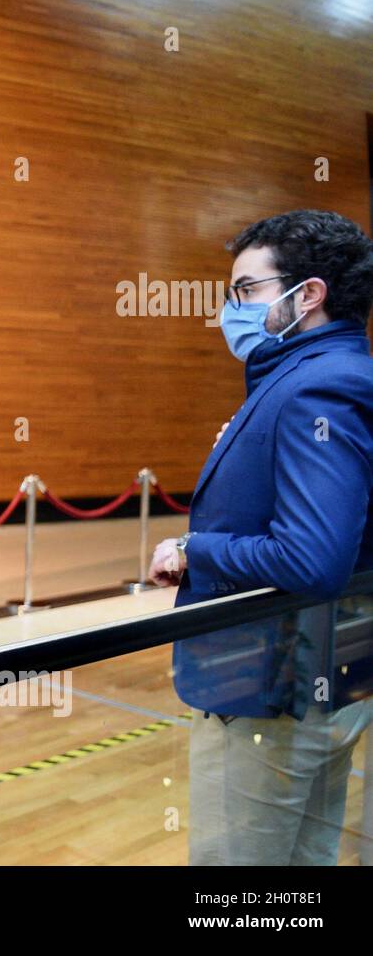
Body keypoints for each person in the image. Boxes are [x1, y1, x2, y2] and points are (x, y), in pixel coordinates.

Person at [147, 209, 373, 865]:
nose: (230, 308)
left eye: (246, 289)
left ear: (308, 296)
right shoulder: (323, 379)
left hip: (269, 690)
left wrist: (196, 550)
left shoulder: (316, 390)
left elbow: (312, 557)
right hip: (320, 678)